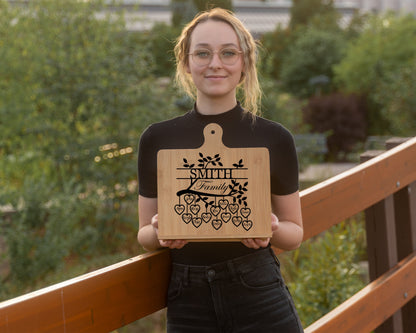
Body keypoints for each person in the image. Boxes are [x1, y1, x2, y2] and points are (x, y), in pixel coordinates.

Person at [137, 7, 304, 333]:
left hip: (259, 289)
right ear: (186, 62)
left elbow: (294, 232)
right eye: (202, 53)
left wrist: (269, 228)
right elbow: (144, 234)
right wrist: (160, 231)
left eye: (228, 53)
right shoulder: (157, 138)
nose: (215, 63)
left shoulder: (274, 138)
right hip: (188, 298)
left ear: (244, 64)